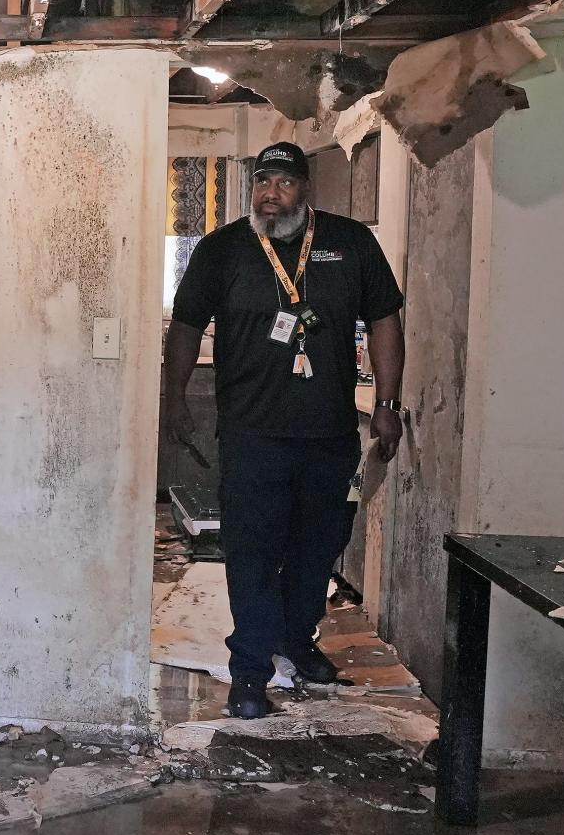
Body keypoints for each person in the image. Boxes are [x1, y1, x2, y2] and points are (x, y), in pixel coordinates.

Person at [164, 141, 406, 719]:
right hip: (252, 435)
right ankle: (249, 672)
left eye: (284, 183)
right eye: (262, 182)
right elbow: (186, 325)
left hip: (329, 435)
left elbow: (385, 321)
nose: (271, 194)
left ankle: (296, 641)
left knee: (318, 549)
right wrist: (173, 398)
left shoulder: (350, 244)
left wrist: (390, 402)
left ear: (306, 189)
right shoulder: (224, 250)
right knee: (252, 552)